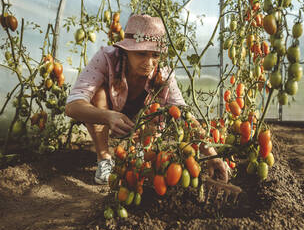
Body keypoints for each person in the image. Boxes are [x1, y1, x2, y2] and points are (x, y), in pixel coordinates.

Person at [65, 14, 228, 185]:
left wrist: (212, 154)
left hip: (145, 125)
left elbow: (183, 114)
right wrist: (108, 116)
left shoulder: (164, 74)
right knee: (98, 93)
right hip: (107, 113)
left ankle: (139, 154)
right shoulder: (106, 59)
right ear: (126, 51)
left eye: (155, 55)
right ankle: (104, 158)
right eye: (141, 53)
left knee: (157, 107)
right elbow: (73, 105)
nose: (149, 62)